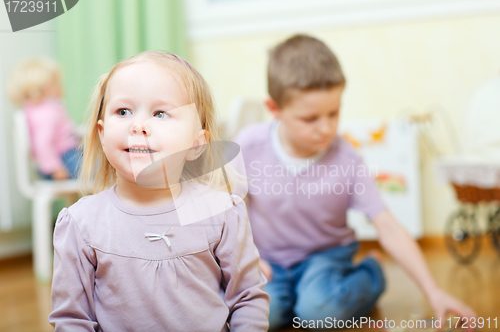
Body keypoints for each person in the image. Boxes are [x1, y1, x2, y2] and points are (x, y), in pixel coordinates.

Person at [234, 35, 476, 331]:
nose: (326, 128)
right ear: (274, 109)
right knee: (262, 317)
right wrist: (244, 257)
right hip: (269, 260)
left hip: (325, 256)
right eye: (310, 119)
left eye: (334, 113)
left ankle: (371, 272)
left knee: (317, 315)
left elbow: (386, 225)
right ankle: (298, 295)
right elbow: (227, 208)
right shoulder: (248, 145)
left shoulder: (347, 159)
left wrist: (432, 290)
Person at [48, 51, 270, 331]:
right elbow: (71, 320)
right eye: (123, 111)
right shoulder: (80, 224)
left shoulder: (222, 213)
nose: (138, 125)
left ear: (196, 144)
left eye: (160, 113)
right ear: (102, 134)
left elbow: (248, 299)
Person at [7, 58, 81, 180]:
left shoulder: (35, 109)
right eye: (56, 83)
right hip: (64, 159)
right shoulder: (46, 112)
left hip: (64, 157)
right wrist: (55, 168)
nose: (61, 86)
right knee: (102, 170)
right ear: (40, 89)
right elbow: (43, 143)